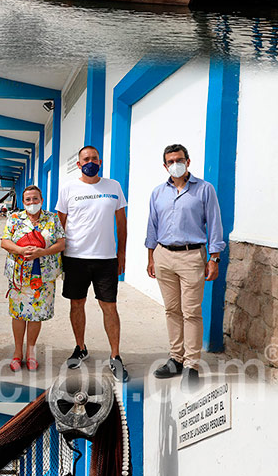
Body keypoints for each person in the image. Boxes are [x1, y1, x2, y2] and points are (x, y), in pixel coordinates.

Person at [146, 143, 225, 388]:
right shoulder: (158, 192)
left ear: (188, 161)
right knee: (171, 310)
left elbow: (214, 224)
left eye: (179, 160)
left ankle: (191, 364)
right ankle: (175, 359)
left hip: (192, 257)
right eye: (170, 161)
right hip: (163, 256)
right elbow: (152, 225)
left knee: (191, 311)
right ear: (164, 165)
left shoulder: (204, 190)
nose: (175, 165)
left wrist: (214, 258)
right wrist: (151, 257)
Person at [57, 145, 129, 381]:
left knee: (109, 306)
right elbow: (60, 224)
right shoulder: (68, 188)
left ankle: (116, 356)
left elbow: (121, 223)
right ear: (78, 164)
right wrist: (59, 257)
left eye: (94, 158)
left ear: (101, 162)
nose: (90, 162)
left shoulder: (113, 186)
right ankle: (81, 347)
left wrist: (121, 253)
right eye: (86, 159)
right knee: (77, 304)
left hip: (106, 259)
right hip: (75, 258)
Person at [1, 184, 65, 372]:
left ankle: (31, 353)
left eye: (35, 199)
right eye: (28, 199)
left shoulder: (52, 219)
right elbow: (5, 241)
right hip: (19, 276)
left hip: (43, 276)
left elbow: (61, 243)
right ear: (23, 202)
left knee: (36, 314)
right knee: (19, 314)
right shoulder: (14, 219)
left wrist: (43, 252)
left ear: (42, 200)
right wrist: (20, 250)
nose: (32, 202)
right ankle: (17, 352)